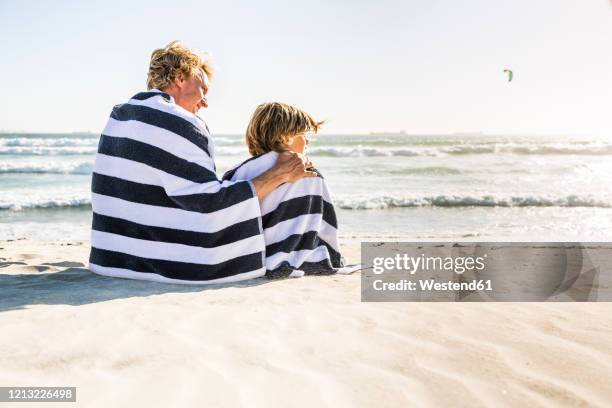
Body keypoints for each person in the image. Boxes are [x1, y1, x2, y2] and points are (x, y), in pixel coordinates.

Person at [88, 41, 316, 284]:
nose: (205, 102)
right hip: (176, 264)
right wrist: (279, 174)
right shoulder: (181, 120)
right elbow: (210, 204)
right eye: (203, 90)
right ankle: (342, 267)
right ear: (180, 78)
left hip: (111, 258)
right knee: (307, 178)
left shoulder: (120, 115)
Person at [222, 102, 349, 278]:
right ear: (285, 137)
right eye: (304, 134)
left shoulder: (237, 171)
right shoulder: (308, 174)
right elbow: (326, 228)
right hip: (284, 258)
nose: (307, 141)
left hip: (240, 256)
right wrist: (333, 256)